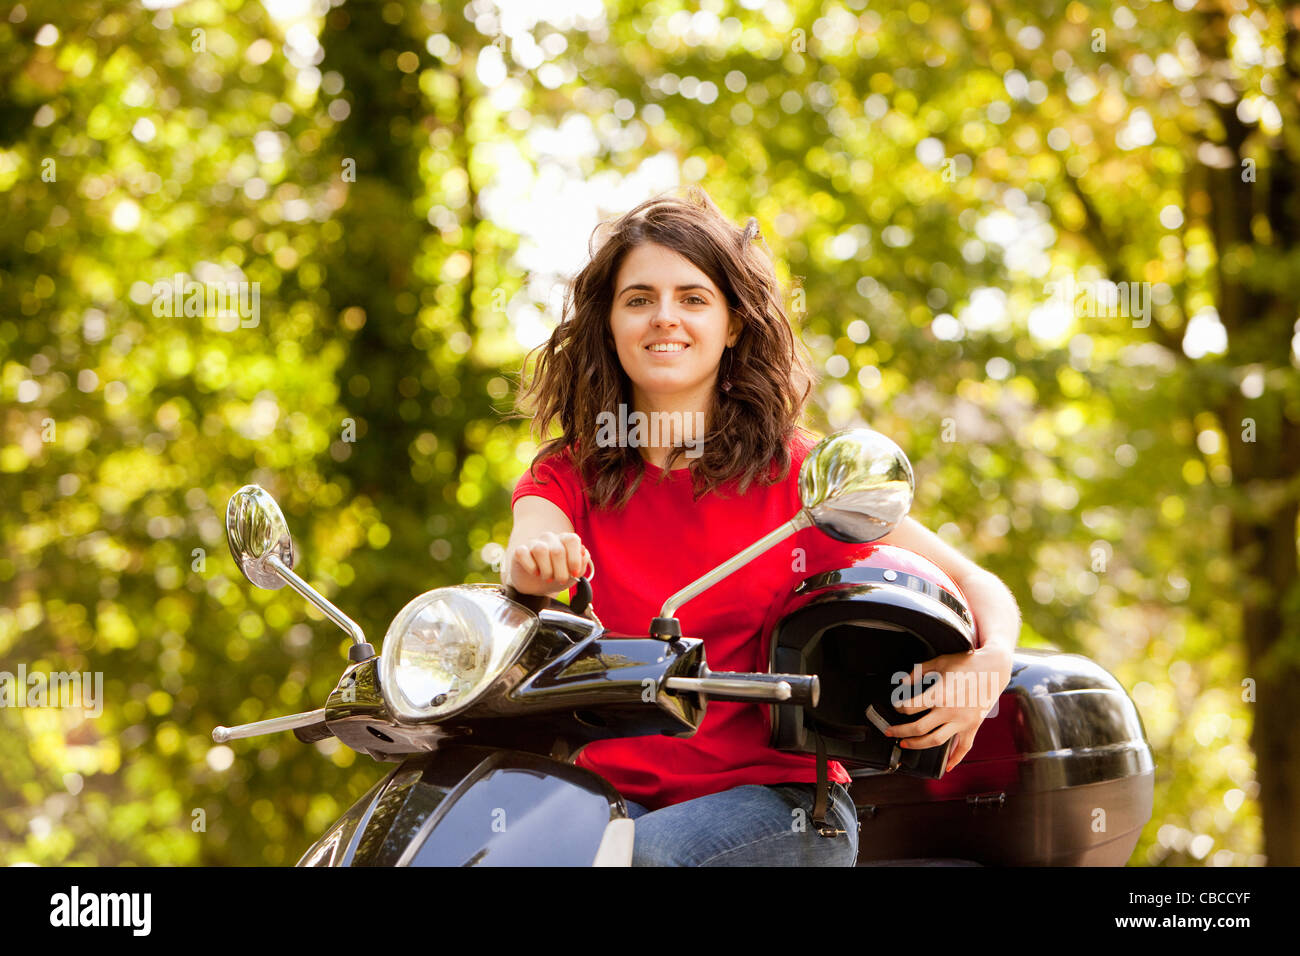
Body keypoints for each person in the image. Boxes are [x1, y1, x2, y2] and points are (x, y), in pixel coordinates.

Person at [502, 185, 1018, 866]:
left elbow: (975, 581)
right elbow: (526, 550)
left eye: (692, 298)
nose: (665, 318)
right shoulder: (571, 473)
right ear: (609, 322)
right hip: (608, 809)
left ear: (733, 324)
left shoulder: (803, 477)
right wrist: (537, 564)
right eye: (639, 299)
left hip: (783, 807)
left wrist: (988, 666)